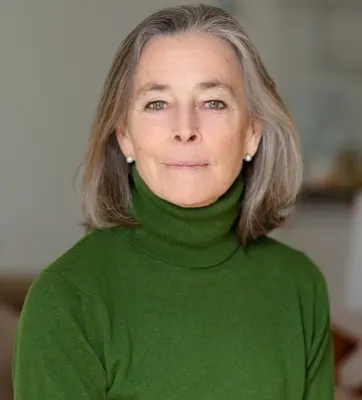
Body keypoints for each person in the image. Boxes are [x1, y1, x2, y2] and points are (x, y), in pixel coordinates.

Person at [13, 4, 334, 399]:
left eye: (213, 102)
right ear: (125, 135)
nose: (185, 128)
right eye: (157, 104)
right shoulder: (66, 299)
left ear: (252, 132)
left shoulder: (300, 287)